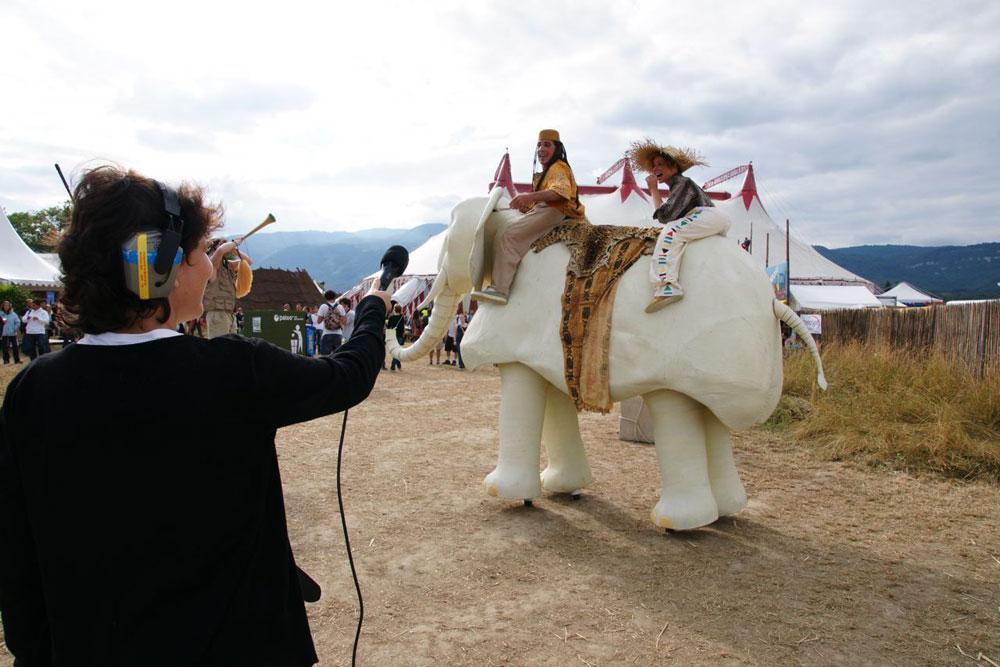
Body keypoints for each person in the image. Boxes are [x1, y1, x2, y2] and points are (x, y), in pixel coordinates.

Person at [0, 164, 391, 666]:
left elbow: (18, 557)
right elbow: (349, 376)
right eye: (202, 251)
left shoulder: (32, 391)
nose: (209, 267)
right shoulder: (232, 370)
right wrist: (374, 308)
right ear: (158, 265)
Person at [472, 129, 586, 304]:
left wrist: (528, 197)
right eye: (539, 144)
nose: (541, 148)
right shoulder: (546, 172)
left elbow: (561, 193)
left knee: (510, 236)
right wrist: (526, 205)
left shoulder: (558, 167)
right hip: (551, 210)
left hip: (557, 211)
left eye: (547, 144)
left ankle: (500, 289)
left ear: (557, 148)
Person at [629, 138, 729, 313]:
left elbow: (666, 217)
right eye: (653, 165)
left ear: (673, 167)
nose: (655, 168)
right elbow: (665, 214)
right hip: (706, 217)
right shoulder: (677, 186)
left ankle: (667, 285)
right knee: (672, 228)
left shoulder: (683, 183)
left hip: (706, 215)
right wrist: (655, 190)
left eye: (660, 164)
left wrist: (653, 189)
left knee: (671, 232)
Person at [203, 237, 252, 339]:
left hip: (230, 314)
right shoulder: (211, 265)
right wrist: (234, 243)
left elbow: (248, 261)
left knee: (231, 350)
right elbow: (220, 251)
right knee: (220, 350)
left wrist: (235, 250)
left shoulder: (228, 267)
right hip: (217, 314)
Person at [317, 290, 347, 355]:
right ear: (334, 297)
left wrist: (326, 317)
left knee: (325, 356)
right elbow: (344, 321)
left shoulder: (323, 306)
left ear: (326, 297)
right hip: (338, 334)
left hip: (326, 334)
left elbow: (318, 321)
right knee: (337, 356)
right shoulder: (340, 306)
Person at [386, 304, 405, 371]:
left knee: (395, 350)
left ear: (394, 309)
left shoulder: (391, 317)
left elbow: (388, 327)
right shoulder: (402, 317)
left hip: (393, 335)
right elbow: (402, 327)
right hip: (399, 335)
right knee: (397, 350)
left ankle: (397, 365)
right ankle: (394, 365)